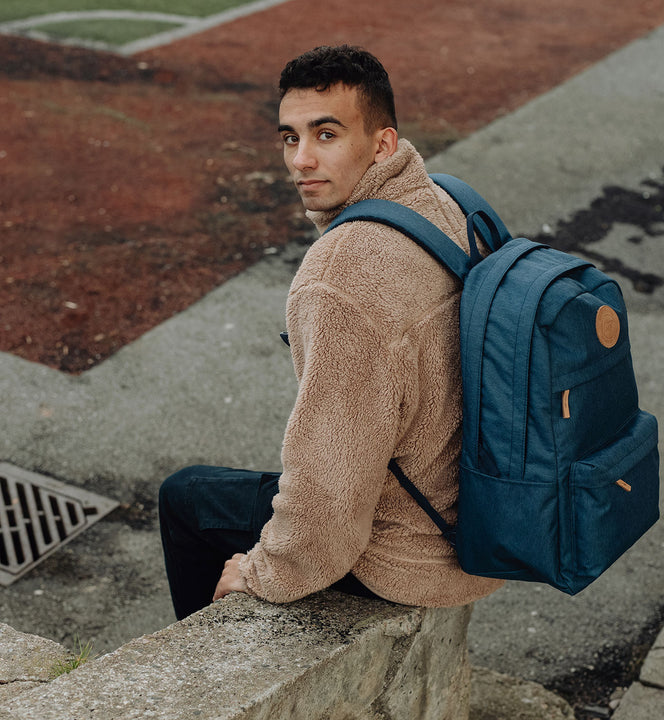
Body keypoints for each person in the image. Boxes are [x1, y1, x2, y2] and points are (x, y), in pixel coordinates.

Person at [159, 45, 504, 620]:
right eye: (289, 137)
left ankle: (201, 662)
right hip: (487, 520)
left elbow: (329, 493)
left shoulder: (342, 273)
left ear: (382, 144)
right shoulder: (451, 202)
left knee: (184, 495)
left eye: (326, 135)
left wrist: (263, 571)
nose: (300, 160)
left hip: (416, 556)